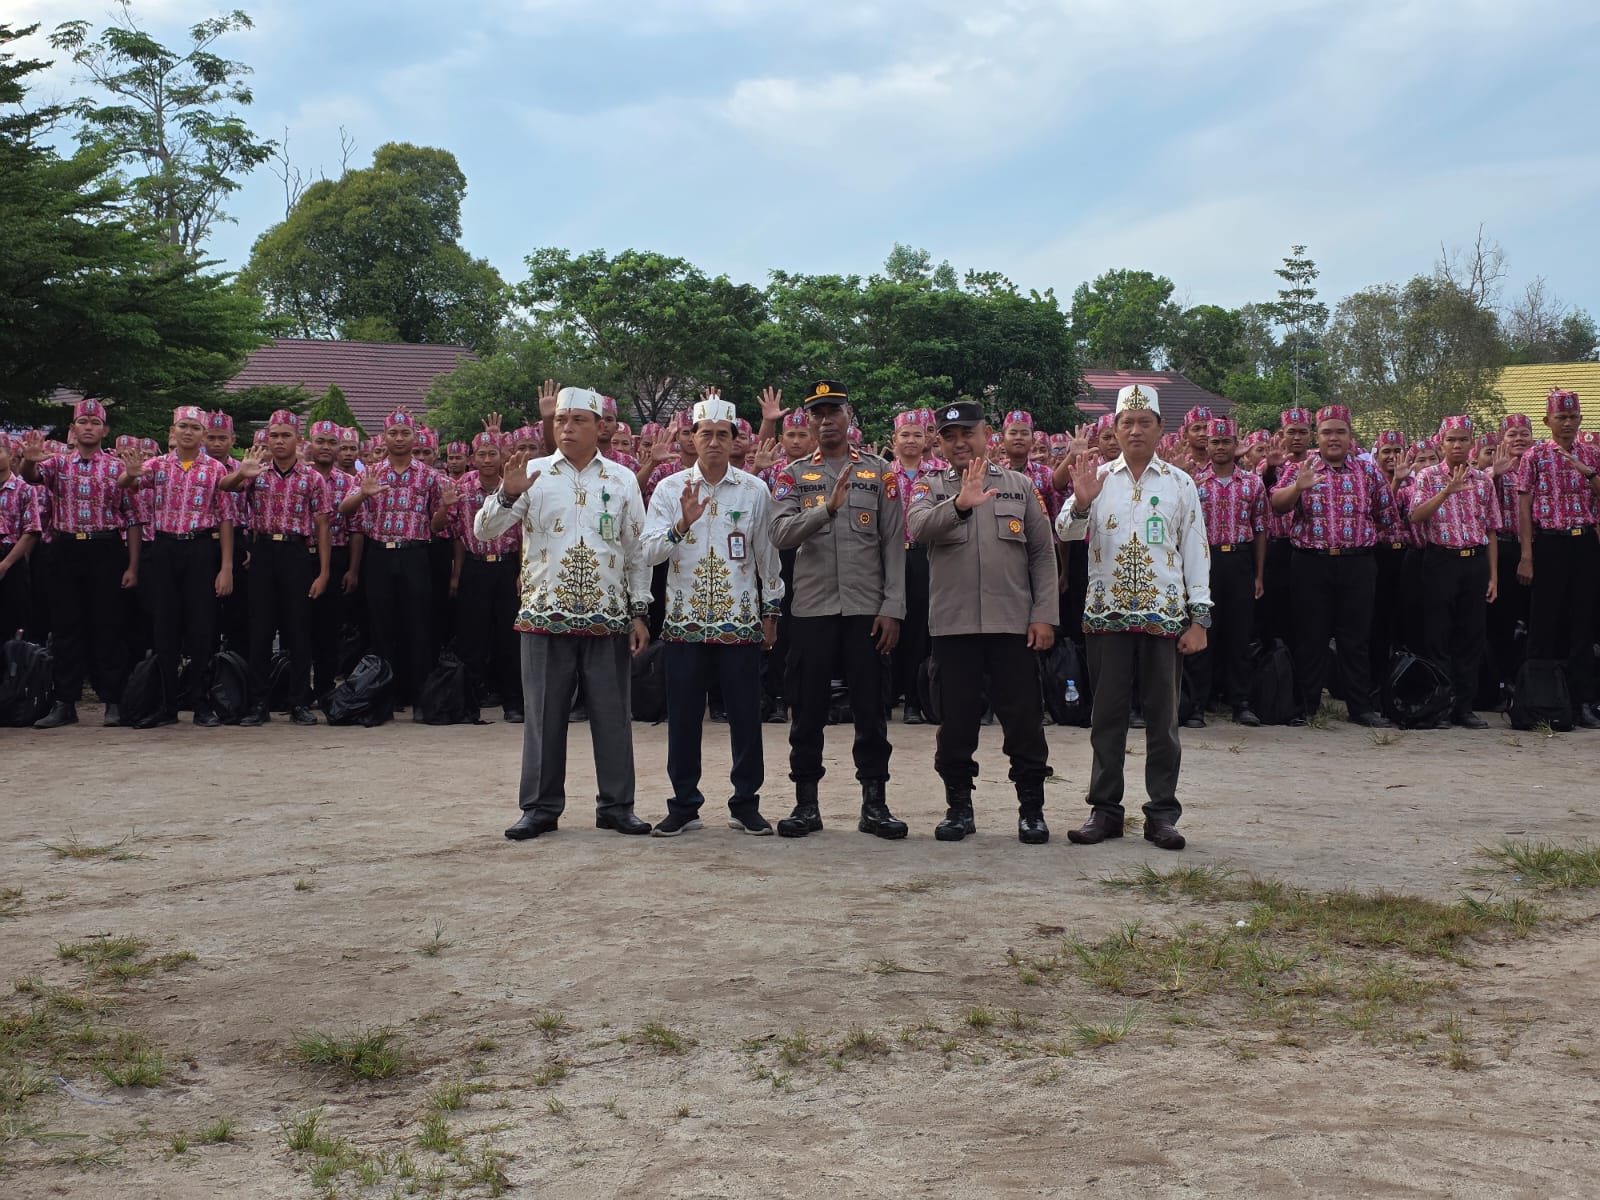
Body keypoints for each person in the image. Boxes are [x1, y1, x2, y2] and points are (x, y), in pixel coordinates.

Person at [476, 386, 654, 840]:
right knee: (542, 715)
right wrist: (508, 495)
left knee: (613, 715)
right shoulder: (530, 473)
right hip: (544, 614)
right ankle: (539, 807)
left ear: (600, 427)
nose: (567, 427)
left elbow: (635, 550)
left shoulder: (621, 479)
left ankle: (616, 805)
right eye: (560, 420)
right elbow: (484, 531)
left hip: (608, 614)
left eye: (578, 420)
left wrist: (638, 611)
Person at [1057, 385, 1209, 851]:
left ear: (1161, 429)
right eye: (1128, 422)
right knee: (1107, 718)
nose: (1136, 429)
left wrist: (1199, 617)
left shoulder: (1180, 483)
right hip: (1107, 616)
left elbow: (1196, 551)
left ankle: (1162, 814)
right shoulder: (1097, 476)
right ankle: (1104, 811)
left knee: (1163, 721)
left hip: (1165, 618)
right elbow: (1064, 530)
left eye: (1145, 422)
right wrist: (1081, 502)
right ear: (1115, 430)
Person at [907, 401, 1058, 842]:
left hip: (1013, 625)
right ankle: (959, 808)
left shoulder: (1019, 486)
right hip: (953, 628)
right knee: (955, 723)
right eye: (949, 436)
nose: (959, 442)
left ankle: (1031, 809)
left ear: (986, 435)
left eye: (967, 433)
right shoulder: (929, 486)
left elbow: (1043, 555)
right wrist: (958, 504)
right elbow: (918, 528)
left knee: (1025, 721)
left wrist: (1045, 615)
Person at [641, 391, 784, 836]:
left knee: (745, 717)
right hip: (684, 622)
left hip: (738, 621)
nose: (715, 442)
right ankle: (684, 803)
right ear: (693, 438)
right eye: (707, 434)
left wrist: (771, 610)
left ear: (737, 441)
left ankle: (745, 801)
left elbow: (767, 554)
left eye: (724, 435)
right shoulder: (669, 488)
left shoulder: (754, 488)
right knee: (683, 717)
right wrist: (681, 524)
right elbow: (648, 552)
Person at [769, 380, 907, 840]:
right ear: (807, 421)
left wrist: (893, 608)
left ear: (850, 416)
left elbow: (893, 545)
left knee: (871, 709)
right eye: (817, 413)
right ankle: (806, 804)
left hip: (867, 611)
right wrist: (825, 510)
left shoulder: (881, 473)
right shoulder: (791, 475)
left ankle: (875, 804)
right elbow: (780, 534)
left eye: (834, 411)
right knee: (807, 710)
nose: (826, 420)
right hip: (812, 610)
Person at [1269, 405, 1401, 728]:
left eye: (1340, 431)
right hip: (1310, 564)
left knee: (1355, 639)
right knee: (1310, 636)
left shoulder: (1367, 471)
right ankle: (1306, 705)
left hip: (1357, 564)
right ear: (1318, 436)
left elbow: (1387, 515)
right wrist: (1298, 488)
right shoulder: (1303, 467)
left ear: (1350, 436)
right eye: (1327, 431)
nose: (1333, 437)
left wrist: (1358, 539)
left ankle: (1360, 708)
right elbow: (1276, 506)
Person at [21, 403, 140, 728]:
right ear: (73, 429)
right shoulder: (57, 464)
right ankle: (65, 702)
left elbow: (132, 519)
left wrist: (132, 565)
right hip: (65, 548)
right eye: (82, 422)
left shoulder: (119, 467)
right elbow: (31, 478)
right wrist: (29, 462)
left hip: (105, 548)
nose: (88, 427)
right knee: (65, 628)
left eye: (95, 422)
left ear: (105, 430)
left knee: (109, 626)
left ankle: (112, 701)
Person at [116, 405, 234, 726]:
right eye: (183, 426)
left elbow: (225, 519)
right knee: (164, 627)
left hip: (201, 549)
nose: (188, 432)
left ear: (204, 435)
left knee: (201, 627)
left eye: (196, 428)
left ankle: (199, 702)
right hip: (165, 548)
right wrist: (130, 472)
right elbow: (128, 484)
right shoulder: (156, 466)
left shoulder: (215, 470)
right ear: (172, 432)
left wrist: (226, 567)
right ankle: (167, 705)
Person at [221, 411, 332, 726]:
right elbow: (224, 487)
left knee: (298, 631)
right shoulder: (256, 473)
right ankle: (259, 703)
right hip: (263, 552)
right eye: (274, 436)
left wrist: (323, 573)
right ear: (266, 440)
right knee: (260, 630)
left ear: (298, 439)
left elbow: (323, 525)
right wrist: (242, 474)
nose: (280, 441)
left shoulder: (313, 478)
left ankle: (299, 702)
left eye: (286, 435)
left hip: (297, 553)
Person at [339, 409, 444, 707]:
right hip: (379, 556)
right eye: (393, 433)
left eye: (405, 433)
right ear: (384, 438)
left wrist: (445, 509)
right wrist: (363, 494)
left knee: (418, 625)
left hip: (415, 554)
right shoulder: (370, 473)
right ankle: (383, 695)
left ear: (415, 437)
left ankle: (419, 696)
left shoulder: (429, 476)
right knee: (381, 625)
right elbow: (345, 509)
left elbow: (437, 526)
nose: (399, 439)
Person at [1406, 416, 1501, 728]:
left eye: (1463, 439)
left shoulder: (1484, 481)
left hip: (1474, 560)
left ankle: (1464, 706)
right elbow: (1416, 516)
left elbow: (1490, 530)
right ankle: (1440, 706)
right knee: (1438, 635)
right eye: (1451, 440)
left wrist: (1493, 575)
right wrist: (1446, 492)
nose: (1457, 445)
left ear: (1472, 443)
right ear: (1441, 443)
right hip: (1440, 560)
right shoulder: (1427, 477)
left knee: (1470, 636)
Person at [1516, 387, 1600, 727]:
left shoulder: (1592, 454)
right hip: (1549, 542)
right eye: (1561, 417)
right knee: (1543, 622)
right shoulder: (1534, 456)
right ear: (1547, 420)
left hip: (1583, 542)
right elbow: (1523, 505)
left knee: (1583, 622)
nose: (1567, 423)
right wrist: (1526, 554)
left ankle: (1582, 700)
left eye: (1573, 417)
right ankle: (1539, 699)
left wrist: (1588, 472)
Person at [437, 431, 523, 722]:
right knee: (472, 638)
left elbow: (526, 535)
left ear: (502, 457)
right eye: (481, 454)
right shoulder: (461, 486)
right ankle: (470, 703)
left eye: (492, 454)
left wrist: (522, 572)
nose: (487, 460)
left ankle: (514, 703)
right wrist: (444, 506)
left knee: (509, 638)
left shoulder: (513, 487)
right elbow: (442, 529)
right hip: (474, 567)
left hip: (507, 566)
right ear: (473, 458)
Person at [1188, 417, 1266, 727]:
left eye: (1226, 441)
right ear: (1206, 445)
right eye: (1214, 442)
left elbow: (1260, 529)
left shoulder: (1252, 483)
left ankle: (1240, 702)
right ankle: (1196, 704)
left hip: (1239, 560)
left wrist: (1259, 574)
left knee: (1238, 633)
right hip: (1204, 563)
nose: (1220, 447)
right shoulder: (1192, 482)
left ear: (1237, 445)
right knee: (1202, 629)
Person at [306, 420, 363, 703]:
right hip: (301, 556)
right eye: (320, 442)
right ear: (310, 444)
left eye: (331, 443)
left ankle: (326, 687)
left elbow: (356, 529)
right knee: (299, 625)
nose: (326, 448)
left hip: (338, 556)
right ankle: (299, 690)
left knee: (329, 628)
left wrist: (352, 569)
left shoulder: (349, 482)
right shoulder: (299, 476)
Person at [887, 408, 936, 725]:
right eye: (905, 434)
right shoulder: (882, 473)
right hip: (889, 555)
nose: (911, 440)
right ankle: (887, 697)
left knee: (920, 628)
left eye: (917, 434)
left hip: (924, 556)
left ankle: (915, 702)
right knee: (890, 626)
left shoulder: (938, 472)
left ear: (927, 438)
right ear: (894, 440)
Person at [1487, 414, 1534, 691]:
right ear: (1502, 439)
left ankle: (1528, 677)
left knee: (1532, 615)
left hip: (1535, 547)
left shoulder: (1538, 464)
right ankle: (1501, 680)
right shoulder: (1495, 468)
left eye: (1523, 433)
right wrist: (1495, 473)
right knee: (1501, 618)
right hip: (1503, 548)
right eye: (1512, 434)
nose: (1518, 439)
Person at [0, 436, 42, 642]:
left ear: (10, 456)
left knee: (12, 620)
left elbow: (32, 530)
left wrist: (6, 564)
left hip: (12, 557)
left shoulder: (24, 489)